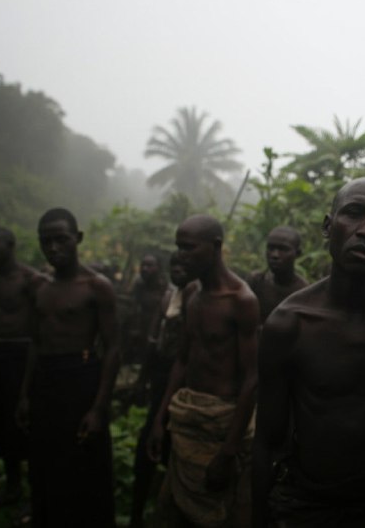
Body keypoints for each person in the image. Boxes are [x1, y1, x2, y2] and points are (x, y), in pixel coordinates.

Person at [253, 177, 365, 527]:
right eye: (354, 213)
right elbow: (269, 440)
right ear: (328, 227)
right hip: (307, 501)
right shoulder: (290, 324)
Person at [147, 214, 260, 528]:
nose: (181, 255)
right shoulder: (193, 296)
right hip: (188, 419)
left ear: (216, 247)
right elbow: (183, 360)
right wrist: (161, 418)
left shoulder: (241, 300)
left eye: (189, 248)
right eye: (178, 247)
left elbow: (252, 378)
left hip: (222, 423)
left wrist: (228, 452)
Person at [17, 208, 119, 527]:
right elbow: (36, 342)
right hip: (46, 381)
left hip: (81, 377)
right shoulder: (39, 287)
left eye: (61, 240)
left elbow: (114, 347)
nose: (54, 249)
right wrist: (24, 394)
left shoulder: (96, 286)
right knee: (44, 460)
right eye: (46, 242)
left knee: (85, 461)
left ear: (78, 239)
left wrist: (99, 408)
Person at [0, 227, 45, 511]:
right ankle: (12, 485)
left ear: (11, 245)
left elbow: (40, 326)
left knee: (27, 420)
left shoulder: (30, 279)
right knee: (2, 420)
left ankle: (37, 490)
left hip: (23, 354)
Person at [130, 253, 194, 528]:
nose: (177, 271)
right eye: (174, 266)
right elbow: (153, 343)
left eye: (184, 267)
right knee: (148, 445)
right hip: (161, 380)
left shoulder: (200, 300)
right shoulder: (168, 299)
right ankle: (136, 514)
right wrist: (142, 379)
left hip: (186, 385)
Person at [246, 226, 308, 323]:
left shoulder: (303, 291)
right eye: (270, 248)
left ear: (297, 253)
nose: (275, 255)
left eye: (283, 249)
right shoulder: (256, 281)